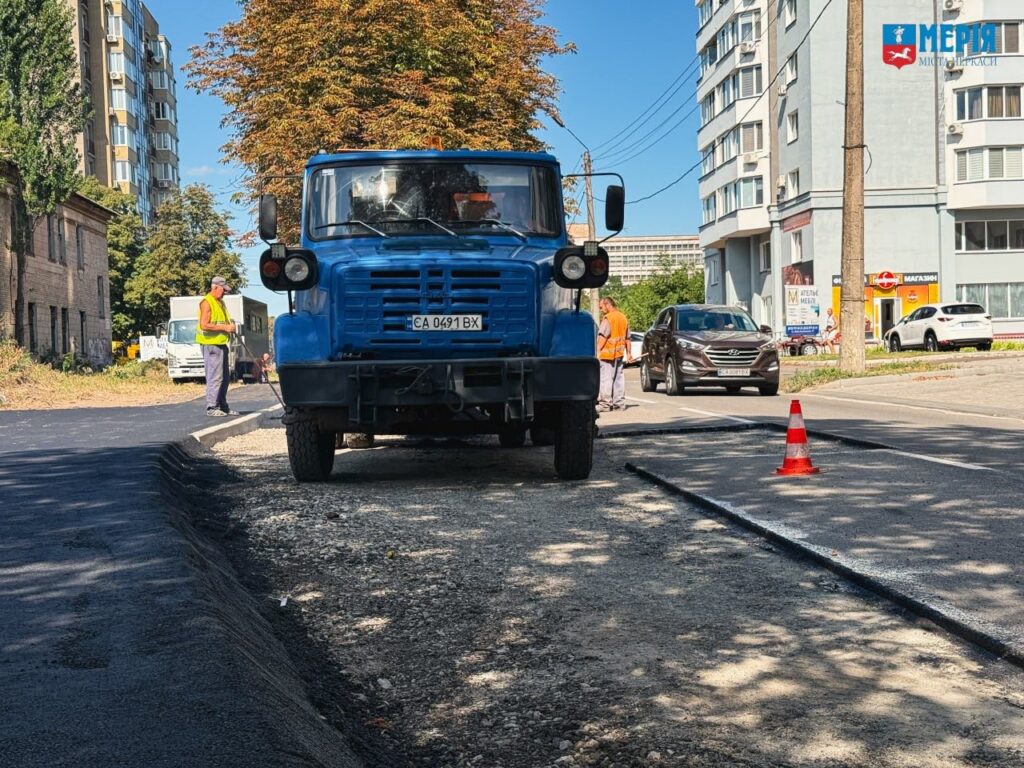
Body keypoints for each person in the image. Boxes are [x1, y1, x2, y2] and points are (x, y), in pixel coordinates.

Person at [196, 276, 239, 416]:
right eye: (223, 290)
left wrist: (230, 327)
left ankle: (222, 405)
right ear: (215, 287)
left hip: (221, 343)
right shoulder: (207, 302)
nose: (225, 292)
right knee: (215, 377)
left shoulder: (220, 302)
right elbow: (204, 325)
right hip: (211, 344)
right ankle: (212, 407)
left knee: (225, 377)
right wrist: (225, 327)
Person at [597, 297, 633, 412]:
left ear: (607, 305)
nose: (601, 310)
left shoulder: (608, 318)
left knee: (606, 379)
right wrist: (629, 353)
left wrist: (597, 352)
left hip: (607, 355)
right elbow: (628, 338)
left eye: (601, 307)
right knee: (618, 379)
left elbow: (603, 336)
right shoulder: (623, 317)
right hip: (619, 353)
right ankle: (619, 404)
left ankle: (605, 405)